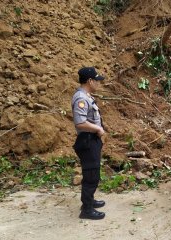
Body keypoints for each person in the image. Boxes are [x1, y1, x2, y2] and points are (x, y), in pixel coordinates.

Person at [72, 67, 106, 220]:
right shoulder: (81, 98)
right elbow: (80, 123)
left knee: (93, 172)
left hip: (92, 139)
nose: (98, 83)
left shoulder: (86, 95)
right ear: (90, 81)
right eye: (96, 80)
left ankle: (90, 201)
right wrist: (98, 128)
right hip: (87, 140)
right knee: (91, 175)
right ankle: (86, 209)